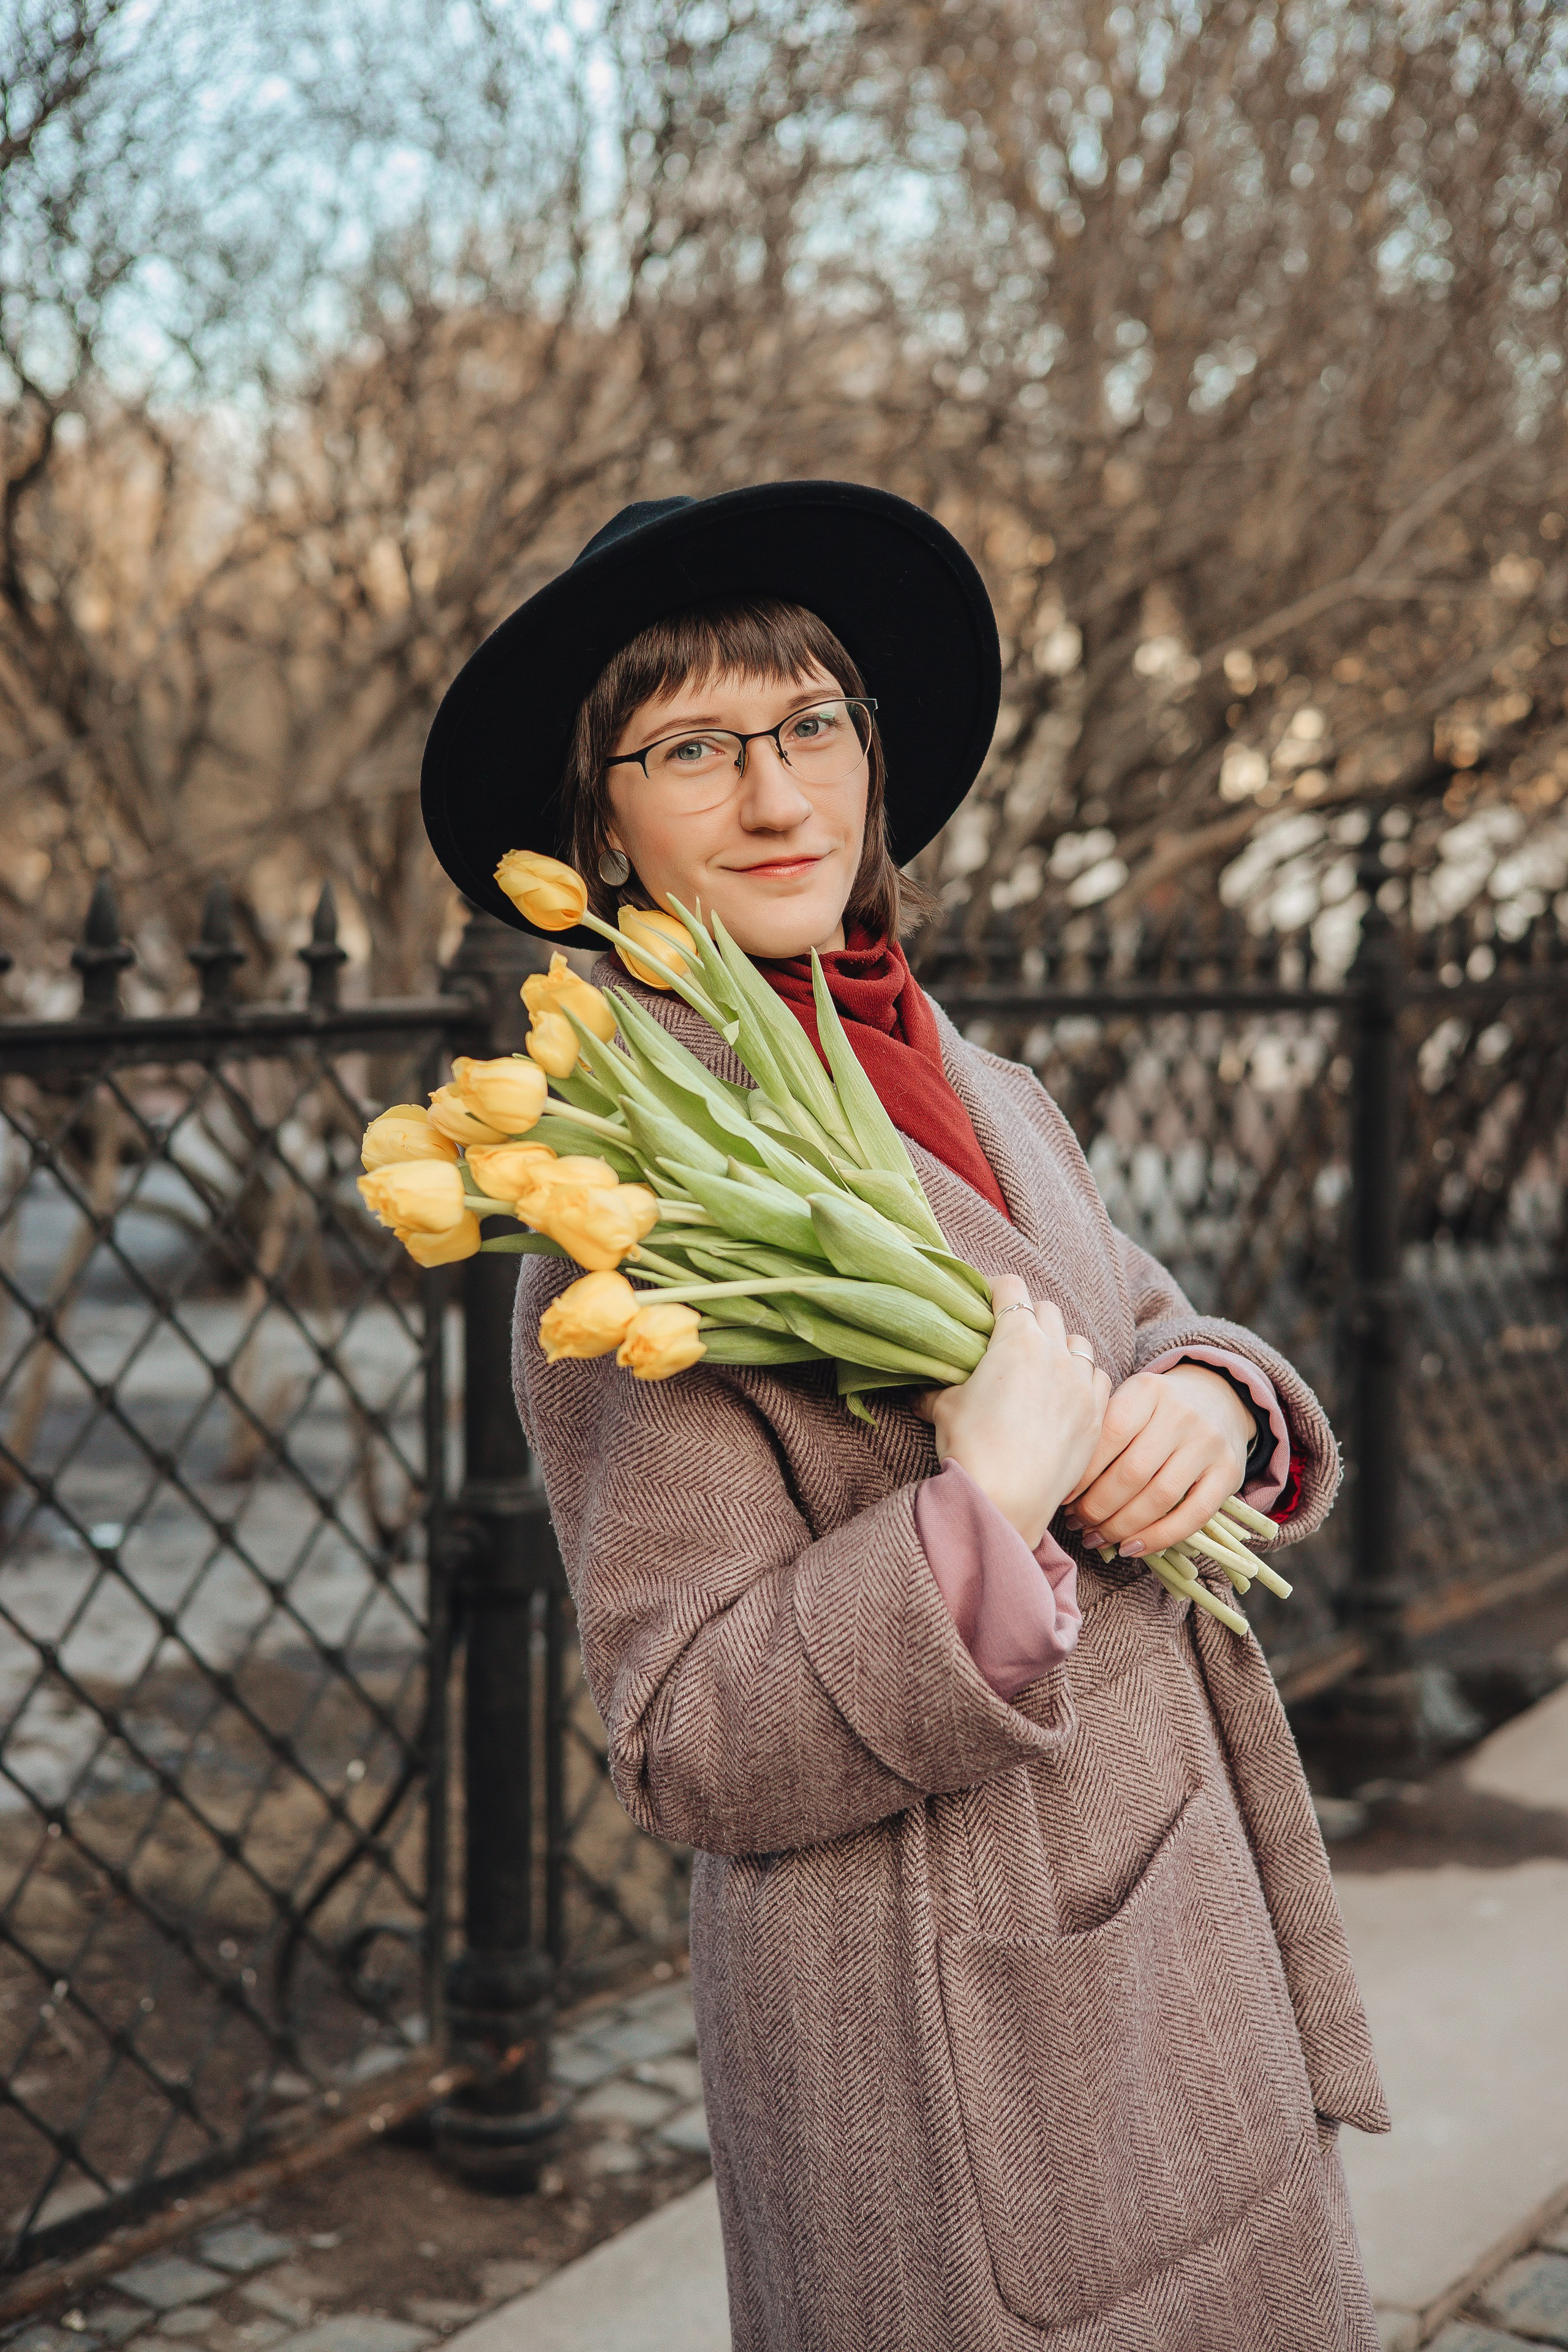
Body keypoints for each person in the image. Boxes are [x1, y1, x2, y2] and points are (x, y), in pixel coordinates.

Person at [420, 483, 1388, 2352]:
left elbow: (1137, 1322)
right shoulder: (627, 1205)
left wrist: (1209, 1401)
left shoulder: (971, 1073)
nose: (776, 794)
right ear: (600, 830)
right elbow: (692, 1740)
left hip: (1171, 1911)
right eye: (692, 749)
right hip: (961, 2022)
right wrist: (979, 1518)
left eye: (811, 725)